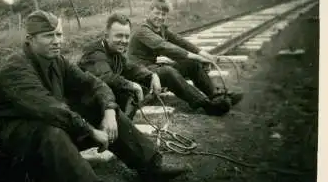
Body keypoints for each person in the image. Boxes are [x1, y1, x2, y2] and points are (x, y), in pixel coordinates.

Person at [0, 10, 188, 182]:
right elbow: (51, 109)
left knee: (96, 107)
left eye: (59, 34)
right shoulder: (16, 68)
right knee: (51, 130)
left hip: (41, 133)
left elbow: (94, 84)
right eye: (48, 36)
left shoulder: (57, 61)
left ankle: (151, 167)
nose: (56, 40)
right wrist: (91, 132)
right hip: (8, 143)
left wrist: (109, 111)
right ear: (30, 39)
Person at [78, 12, 229, 117]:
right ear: (106, 35)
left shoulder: (115, 51)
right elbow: (106, 77)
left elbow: (130, 67)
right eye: (118, 36)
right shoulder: (95, 52)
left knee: (175, 69)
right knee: (167, 72)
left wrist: (152, 75)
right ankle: (205, 104)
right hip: (87, 105)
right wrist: (132, 85)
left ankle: (213, 98)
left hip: (110, 97)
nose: (124, 40)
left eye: (126, 36)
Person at [127, 0, 243, 115]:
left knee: (191, 63)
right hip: (139, 74)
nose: (160, 17)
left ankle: (215, 95)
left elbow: (182, 43)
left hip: (151, 68)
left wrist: (206, 55)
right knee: (168, 72)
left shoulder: (161, 29)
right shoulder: (142, 31)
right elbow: (165, 47)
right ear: (149, 12)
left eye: (163, 14)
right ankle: (205, 104)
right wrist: (199, 58)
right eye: (157, 13)